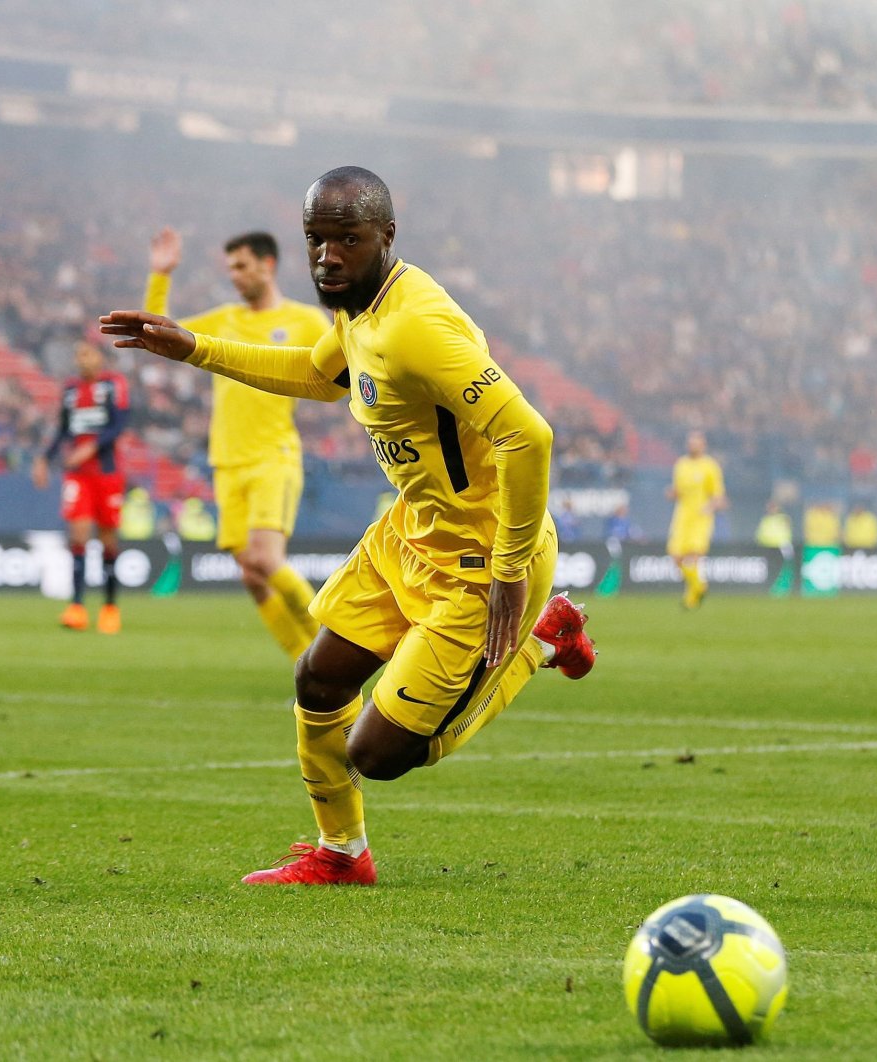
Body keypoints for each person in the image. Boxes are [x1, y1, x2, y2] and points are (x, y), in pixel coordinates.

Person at [101, 165, 596, 886]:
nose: (328, 257)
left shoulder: (415, 326)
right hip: (411, 533)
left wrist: (511, 567)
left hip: (479, 563)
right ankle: (341, 853)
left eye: (348, 241)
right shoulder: (358, 308)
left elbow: (531, 436)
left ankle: (544, 643)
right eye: (317, 240)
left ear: (386, 237)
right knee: (319, 678)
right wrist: (196, 349)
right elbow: (316, 374)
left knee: (378, 755)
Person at [144, 227, 328, 658]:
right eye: (230, 268)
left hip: (272, 456)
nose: (235, 276)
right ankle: (306, 665)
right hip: (227, 461)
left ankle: (333, 647)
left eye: (242, 266)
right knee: (251, 573)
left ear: (268, 265)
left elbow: (344, 363)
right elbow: (158, 335)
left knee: (265, 559)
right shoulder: (226, 318)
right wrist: (161, 276)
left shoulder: (304, 321)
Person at [32, 341, 130, 634]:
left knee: (108, 540)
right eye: (78, 355)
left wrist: (89, 449)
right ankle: (76, 607)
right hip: (78, 476)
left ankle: (110, 608)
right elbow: (63, 429)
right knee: (78, 535)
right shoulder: (71, 390)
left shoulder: (114, 385)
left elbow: (118, 425)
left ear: (100, 357)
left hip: (107, 473)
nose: (81, 360)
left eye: (87, 354)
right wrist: (44, 459)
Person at [665, 430, 726, 609]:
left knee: (693, 557)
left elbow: (718, 496)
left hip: (700, 517)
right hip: (682, 516)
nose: (693, 445)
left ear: (703, 445)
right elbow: (678, 491)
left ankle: (691, 599)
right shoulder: (681, 464)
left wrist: (710, 507)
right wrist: (672, 493)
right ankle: (700, 586)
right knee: (676, 557)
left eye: (696, 442)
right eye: (690, 442)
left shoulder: (710, 466)